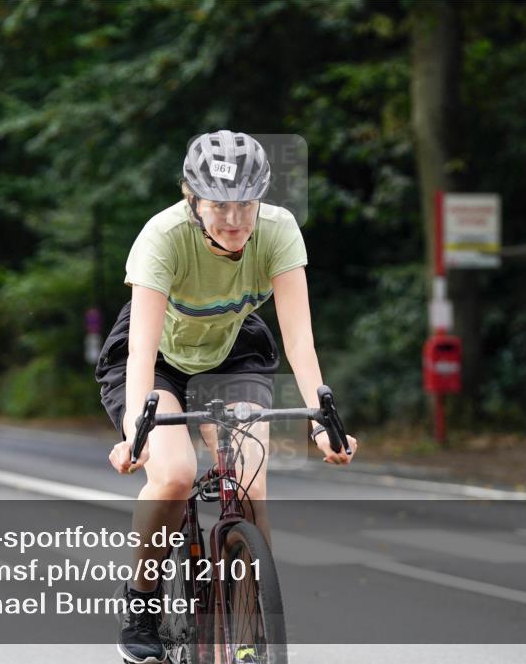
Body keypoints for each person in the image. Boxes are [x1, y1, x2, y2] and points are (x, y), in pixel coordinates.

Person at [95, 130, 358, 664]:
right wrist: (134, 438)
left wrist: (321, 424)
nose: (235, 220)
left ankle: (246, 632)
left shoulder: (279, 231)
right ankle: (142, 603)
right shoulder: (162, 237)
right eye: (220, 205)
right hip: (159, 361)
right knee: (173, 475)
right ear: (192, 197)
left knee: (251, 484)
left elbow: (299, 340)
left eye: (247, 204)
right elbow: (142, 352)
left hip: (234, 353)